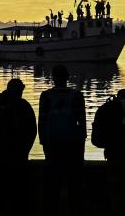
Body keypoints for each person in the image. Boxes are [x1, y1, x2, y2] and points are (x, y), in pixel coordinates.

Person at [0, 78, 37, 216]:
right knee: (18, 193)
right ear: (19, 90)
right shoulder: (24, 106)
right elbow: (32, 131)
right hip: (19, 156)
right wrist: (25, 150)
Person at [39, 65, 86, 216]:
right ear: (67, 77)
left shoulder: (46, 96)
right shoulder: (77, 95)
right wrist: (81, 146)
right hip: (72, 144)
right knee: (74, 184)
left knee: (53, 183)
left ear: (53, 78)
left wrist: (43, 142)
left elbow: (42, 121)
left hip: (52, 143)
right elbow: (82, 123)